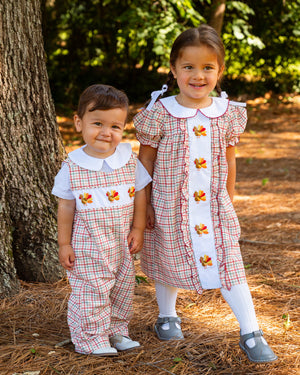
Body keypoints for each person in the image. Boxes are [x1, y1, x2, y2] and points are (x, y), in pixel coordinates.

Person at [134, 24, 277, 363]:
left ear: (220, 70)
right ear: (174, 69)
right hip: (169, 205)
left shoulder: (227, 114)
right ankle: (166, 316)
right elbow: (145, 162)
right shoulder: (160, 113)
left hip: (215, 207)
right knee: (168, 257)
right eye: (189, 67)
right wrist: (145, 207)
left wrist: (228, 198)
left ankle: (251, 331)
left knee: (231, 264)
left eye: (207, 67)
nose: (198, 75)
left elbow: (229, 160)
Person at [52, 84, 152, 356]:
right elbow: (65, 208)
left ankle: (116, 331)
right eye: (97, 123)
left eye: (115, 127)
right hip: (89, 243)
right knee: (92, 290)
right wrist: (64, 244)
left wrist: (139, 227)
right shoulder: (72, 166)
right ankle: (90, 337)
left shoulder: (128, 160)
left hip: (121, 241)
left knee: (122, 288)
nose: (106, 133)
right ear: (78, 122)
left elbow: (141, 194)